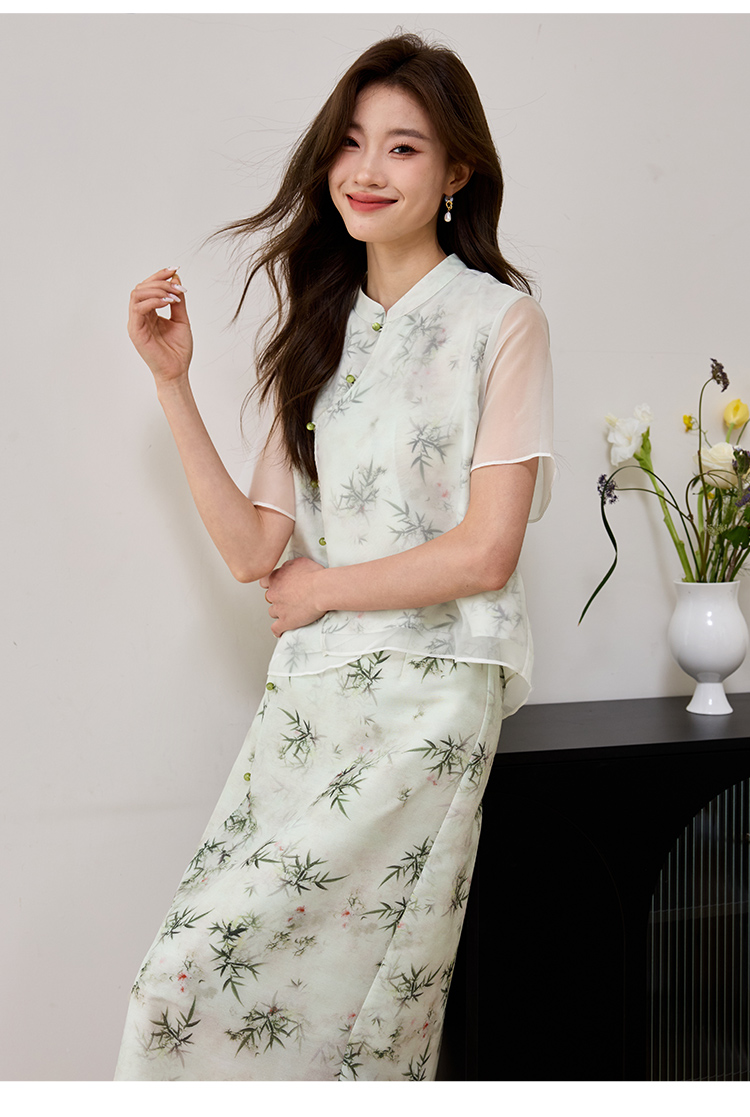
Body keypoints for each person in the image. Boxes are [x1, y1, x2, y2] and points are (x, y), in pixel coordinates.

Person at [114, 32, 554, 1082]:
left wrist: (322, 589)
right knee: (179, 981)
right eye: (351, 143)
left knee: (361, 1015)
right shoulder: (317, 333)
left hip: (434, 696)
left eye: (404, 148)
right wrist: (173, 382)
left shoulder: (503, 322)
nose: (367, 170)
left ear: (456, 172)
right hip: (311, 699)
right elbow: (251, 549)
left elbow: (487, 550)